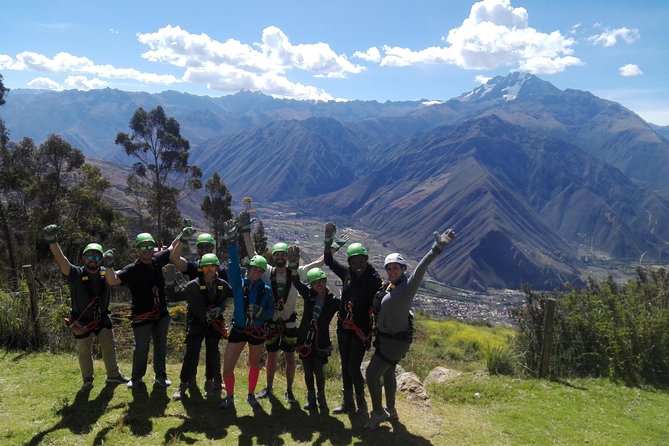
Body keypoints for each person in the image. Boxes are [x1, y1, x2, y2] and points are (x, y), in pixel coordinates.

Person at [364, 229, 456, 430]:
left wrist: (437, 248)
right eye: (389, 269)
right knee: (387, 373)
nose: (392, 271)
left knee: (371, 375)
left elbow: (422, 268)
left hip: (394, 343)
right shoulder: (390, 287)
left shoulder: (407, 287)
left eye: (396, 268)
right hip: (387, 340)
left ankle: (379, 413)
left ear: (403, 269)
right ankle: (392, 410)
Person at [43, 224, 128, 389]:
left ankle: (113, 375)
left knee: (109, 346)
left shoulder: (105, 272)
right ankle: (87, 380)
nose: (93, 260)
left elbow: (114, 278)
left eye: (97, 257)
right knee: (84, 351)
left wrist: (110, 265)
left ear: (101, 260)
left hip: (102, 318)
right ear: (83, 259)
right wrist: (52, 241)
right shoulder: (75, 274)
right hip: (81, 321)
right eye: (89, 256)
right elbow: (62, 261)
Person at [323, 223, 383, 415]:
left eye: (360, 261)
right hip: (343, 327)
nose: (357, 266)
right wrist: (328, 240)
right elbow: (329, 261)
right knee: (345, 366)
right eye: (354, 262)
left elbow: (383, 299)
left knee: (353, 367)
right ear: (349, 263)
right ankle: (348, 403)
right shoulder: (347, 274)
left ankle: (361, 403)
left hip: (360, 330)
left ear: (366, 260)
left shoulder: (374, 280)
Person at [219, 219, 274, 410]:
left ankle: (250, 394)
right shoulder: (238, 284)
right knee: (227, 366)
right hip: (240, 328)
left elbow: (271, 312)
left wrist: (261, 312)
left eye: (260, 271)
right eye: (254, 269)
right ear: (249, 269)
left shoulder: (265, 290)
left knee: (253, 363)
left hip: (257, 329)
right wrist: (232, 242)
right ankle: (230, 396)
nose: (257, 273)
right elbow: (233, 265)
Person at [105, 232, 173, 389]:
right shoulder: (132, 270)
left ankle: (161, 376)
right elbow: (112, 280)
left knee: (160, 345)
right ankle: (136, 377)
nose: (147, 250)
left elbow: (172, 247)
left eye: (149, 246)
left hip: (161, 314)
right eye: (143, 247)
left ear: (153, 248)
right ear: (137, 250)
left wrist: (182, 235)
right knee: (141, 348)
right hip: (142, 316)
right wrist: (108, 265)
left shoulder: (158, 260)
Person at [164, 253, 232, 400]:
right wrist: (169, 284)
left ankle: (210, 382)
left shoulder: (222, 285)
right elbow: (174, 297)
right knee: (191, 353)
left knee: (213, 352)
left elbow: (235, 295)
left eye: (212, 266)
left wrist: (220, 309)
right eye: (206, 266)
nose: (209, 269)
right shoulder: (193, 285)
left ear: (216, 268)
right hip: (197, 323)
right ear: (201, 268)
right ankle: (183, 384)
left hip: (214, 324)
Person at [289, 246, 340, 412]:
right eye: (315, 283)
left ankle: (321, 398)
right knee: (308, 370)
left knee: (318, 370)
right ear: (311, 285)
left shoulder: (333, 301)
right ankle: (311, 398)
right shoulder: (309, 295)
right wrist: (294, 266)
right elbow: (296, 281)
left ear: (325, 282)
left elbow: (347, 306)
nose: (319, 285)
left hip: (320, 341)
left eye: (321, 282)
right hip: (305, 338)